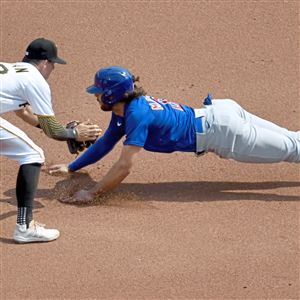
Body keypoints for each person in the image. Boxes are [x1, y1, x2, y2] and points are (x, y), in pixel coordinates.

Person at [48, 66, 300, 203]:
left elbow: (124, 166)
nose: (95, 95)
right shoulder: (124, 108)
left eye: (99, 91)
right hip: (223, 113)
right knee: (293, 140)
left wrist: (94, 193)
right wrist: (72, 167)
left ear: (113, 94)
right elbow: (106, 143)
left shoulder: (137, 115)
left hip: (226, 134)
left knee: (294, 149)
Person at [0, 38, 101, 243]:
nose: (53, 68)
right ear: (45, 62)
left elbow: (24, 112)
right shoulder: (35, 79)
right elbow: (53, 130)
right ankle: (25, 227)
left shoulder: (12, 70)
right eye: (53, 63)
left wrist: (63, 131)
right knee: (33, 155)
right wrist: (74, 134)